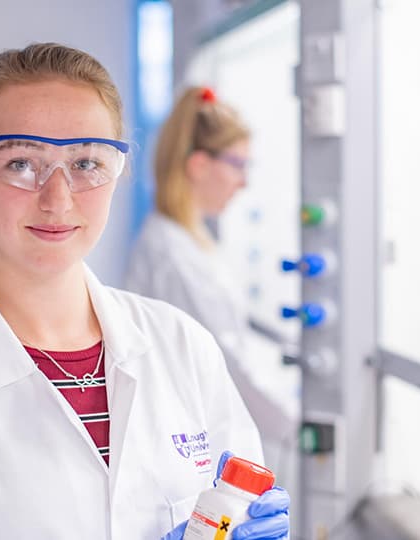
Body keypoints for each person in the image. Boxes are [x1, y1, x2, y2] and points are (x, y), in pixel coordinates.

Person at [0, 43, 288, 540]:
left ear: (117, 171)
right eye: (22, 163)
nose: (58, 199)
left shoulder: (183, 348)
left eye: (86, 163)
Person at [125, 87, 298, 484]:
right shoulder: (174, 256)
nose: (244, 183)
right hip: (192, 447)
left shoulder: (190, 241)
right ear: (200, 165)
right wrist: (298, 424)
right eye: (238, 165)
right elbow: (229, 364)